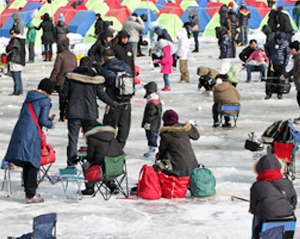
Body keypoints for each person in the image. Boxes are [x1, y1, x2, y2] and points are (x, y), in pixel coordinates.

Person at [60, 56, 118, 167]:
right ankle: (92, 163)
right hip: (90, 113)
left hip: (73, 112)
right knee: (93, 139)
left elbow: (63, 96)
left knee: (73, 139)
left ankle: (71, 164)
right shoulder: (95, 80)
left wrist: (62, 110)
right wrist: (113, 103)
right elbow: (102, 95)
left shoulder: (71, 78)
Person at [4, 78, 55, 204]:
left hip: (21, 129)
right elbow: (43, 121)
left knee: (27, 160)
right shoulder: (45, 101)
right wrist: (51, 123)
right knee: (33, 161)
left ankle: (28, 189)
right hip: (32, 132)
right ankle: (31, 193)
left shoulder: (30, 97)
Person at [250, 154, 297, 239]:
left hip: (265, 223)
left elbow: (253, 209)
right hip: (288, 222)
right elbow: (293, 203)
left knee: (257, 216)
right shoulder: (287, 182)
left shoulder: (257, 186)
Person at [99, 49, 133, 149]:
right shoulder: (125, 66)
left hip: (113, 102)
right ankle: (120, 147)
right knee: (124, 126)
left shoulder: (105, 69)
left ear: (104, 57)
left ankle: (110, 149)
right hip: (126, 101)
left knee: (109, 127)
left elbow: (100, 86)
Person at [81, 121, 124, 195]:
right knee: (105, 164)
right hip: (117, 169)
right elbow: (121, 153)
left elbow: (90, 158)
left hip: (102, 171)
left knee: (86, 165)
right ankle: (111, 185)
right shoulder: (113, 137)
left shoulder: (92, 138)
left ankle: (89, 188)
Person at [156, 109, 200, 177]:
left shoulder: (166, 134)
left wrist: (158, 157)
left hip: (177, 170)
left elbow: (162, 150)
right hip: (192, 165)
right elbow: (196, 136)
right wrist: (191, 126)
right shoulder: (185, 129)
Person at [264, 32, 290, 100]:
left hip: (281, 63)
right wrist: (268, 55)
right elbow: (266, 47)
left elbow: (287, 54)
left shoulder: (286, 43)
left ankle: (280, 93)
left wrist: (285, 63)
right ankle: (268, 93)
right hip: (272, 63)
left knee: (281, 79)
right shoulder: (271, 41)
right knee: (270, 78)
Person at [141, 81, 162, 158]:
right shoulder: (155, 99)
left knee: (152, 136)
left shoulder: (152, 102)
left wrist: (147, 122)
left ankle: (154, 149)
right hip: (154, 123)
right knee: (151, 135)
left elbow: (151, 113)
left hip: (152, 123)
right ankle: (151, 148)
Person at [282, 41, 300, 124]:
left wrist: (295, 77)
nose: (288, 50)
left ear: (294, 49)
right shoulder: (297, 57)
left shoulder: (299, 57)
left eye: (290, 49)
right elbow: (294, 70)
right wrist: (286, 75)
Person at [6, 28, 25, 96]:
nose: (11, 35)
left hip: (15, 59)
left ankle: (16, 91)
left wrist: (8, 44)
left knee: (16, 76)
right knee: (19, 76)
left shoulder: (15, 40)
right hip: (21, 60)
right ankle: (20, 90)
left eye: (12, 33)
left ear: (15, 33)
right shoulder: (22, 39)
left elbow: (8, 48)